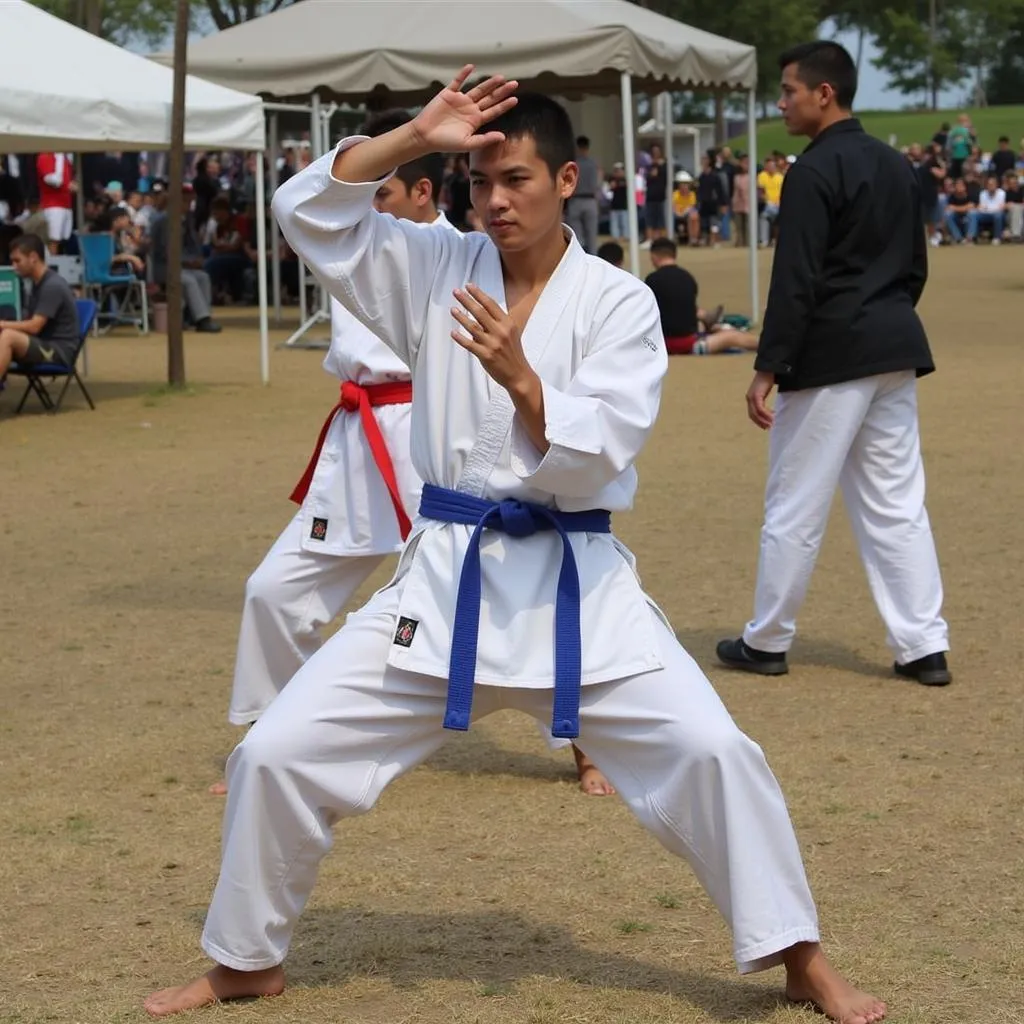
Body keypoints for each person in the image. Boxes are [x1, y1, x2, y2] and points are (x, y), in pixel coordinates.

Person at [144, 69, 887, 1024]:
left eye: (517, 181)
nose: (493, 202)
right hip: (446, 581)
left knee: (715, 751)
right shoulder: (432, 269)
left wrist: (525, 381)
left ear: (569, 179)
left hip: (574, 584)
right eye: (478, 184)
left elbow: (606, 447)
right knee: (277, 752)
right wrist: (417, 135)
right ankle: (246, 959)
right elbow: (305, 209)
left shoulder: (619, 303)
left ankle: (799, 957)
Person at [213, 108, 612, 800]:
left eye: (385, 192)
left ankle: (588, 743)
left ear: (422, 194)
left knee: (525, 592)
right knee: (274, 589)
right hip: (362, 435)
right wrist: (411, 138)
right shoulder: (381, 250)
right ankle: (265, 731)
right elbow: (307, 208)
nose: (367, 206)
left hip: (438, 437)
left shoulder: (458, 260)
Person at [717, 41, 950, 688]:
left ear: (826, 94)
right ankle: (923, 646)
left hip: (830, 354)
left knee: (795, 503)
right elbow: (914, 265)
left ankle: (766, 641)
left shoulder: (813, 171)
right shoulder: (897, 166)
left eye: (789, 90)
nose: (781, 101)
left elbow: (797, 278)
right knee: (898, 504)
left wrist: (769, 364)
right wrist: (886, 321)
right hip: (894, 347)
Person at [644, 238, 757, 355]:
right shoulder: (687, 278)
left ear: (654, 256)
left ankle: (708, 319)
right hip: (683, 343)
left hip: (665, 341)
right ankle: (764, 345)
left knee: (714, 329)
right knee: (731, 336)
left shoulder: (652, 280)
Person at [0, 234, 79, 381]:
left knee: (8, 336)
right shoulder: (36, 284)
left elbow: (34, 327)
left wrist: (2, 324)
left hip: (58, 350)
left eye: (17, 261)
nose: (14, 266)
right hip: (42, 343)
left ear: (33, 257)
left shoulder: (52, 285)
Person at [148, 186, 222, 333]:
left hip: (183, 264)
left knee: (203, 277)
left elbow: (193, 244)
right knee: (189, 280)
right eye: (186, 202)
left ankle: (203, 315)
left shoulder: (186, 220)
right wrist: (186, 261)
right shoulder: (162, 221)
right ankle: (202, 319)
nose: (189, 206)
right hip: (164, 267)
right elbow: (165, 251)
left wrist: (197, 258)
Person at [35, 153, 75, 255]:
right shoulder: (45, 156)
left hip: (66, 204)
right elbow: (54, 180)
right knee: (53, 240)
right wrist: (68, 185)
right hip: (53, 205)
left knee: (64, 240)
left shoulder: (65, 158)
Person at [565, 135, 599, 254]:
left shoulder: (573, 164)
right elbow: (597, 184)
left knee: (577, 236)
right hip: (590, 200)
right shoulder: (593, 164)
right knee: (592, 236)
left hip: (575, 200)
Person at [967, 175, 1005, 243]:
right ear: (986, 185)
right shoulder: (983, 193)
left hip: (997, 214)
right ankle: (971, 237)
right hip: (985, 215)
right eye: (989, 184)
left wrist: (987, 208)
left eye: (992, 184)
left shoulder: (1002, 193)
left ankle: (997, 237)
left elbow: (1001, 208)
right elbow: (981, 208)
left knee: (998, 215)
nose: (991, 186)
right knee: (972, 213)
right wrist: (985, 208)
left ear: (996, 185)